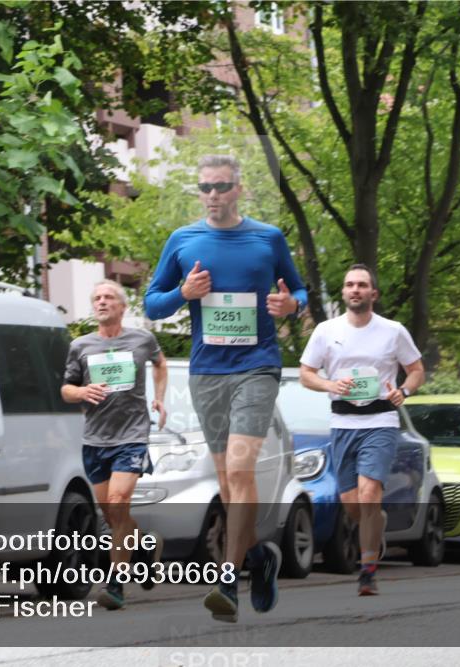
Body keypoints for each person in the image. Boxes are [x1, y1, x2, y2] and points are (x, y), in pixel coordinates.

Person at [144, 154, 308, 623]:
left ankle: (228, 580)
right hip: (207, 373)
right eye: (205, 188)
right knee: (228, 481)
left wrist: (288, 306)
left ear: (238, 190)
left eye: (221, 186)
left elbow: (299, 291)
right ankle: (260, 558)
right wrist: (184, 294)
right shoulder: (183, 240)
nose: (213, 195)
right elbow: (152, 304)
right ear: (199, 193)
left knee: (240, 469)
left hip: (257, 367)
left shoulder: (267, 237)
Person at [298, 264, 424, 596]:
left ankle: (368, 571)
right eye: (350, 284)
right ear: (343, 292)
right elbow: (306, 373)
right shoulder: (326, 330)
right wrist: (330, 383)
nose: (355, 289)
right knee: (352, 504)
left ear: (373, 293)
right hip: (342, 422)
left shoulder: (393, 331)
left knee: (370, 494)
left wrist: (405, 391)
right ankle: (375, 525)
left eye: (362, 285)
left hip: (381, 421)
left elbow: (416, 370)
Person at [62, 280, 168, 610]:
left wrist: (160, 399)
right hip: (95, 438)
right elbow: (66, 389)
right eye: (97, 298)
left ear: (122, 307)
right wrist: (81, 392)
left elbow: (160, 364)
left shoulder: (142, 339)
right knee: (110, 512)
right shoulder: (81, 345)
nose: (102, 302)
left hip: (132, 435)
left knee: (119, 501)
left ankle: (116, 582)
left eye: (109, 297)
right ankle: (145, 548)